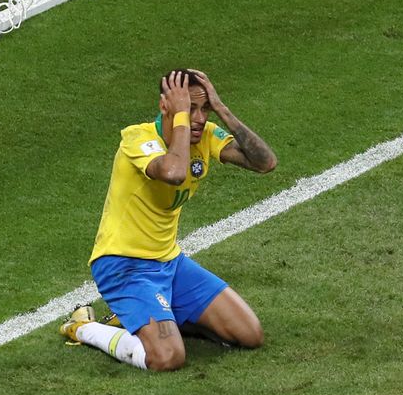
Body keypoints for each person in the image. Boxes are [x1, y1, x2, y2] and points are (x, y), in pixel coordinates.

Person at [59, 69, 277, 371]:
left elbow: (265, 163)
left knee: (250, 334)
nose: (199, 118)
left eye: (205, 108)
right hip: (124, 266)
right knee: (168, 357)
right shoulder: (137, 138)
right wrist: (182, 124)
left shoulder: (206, 135)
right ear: (166, 108)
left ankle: (153, 315)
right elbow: (174, 173)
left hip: (170, 263)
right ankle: (82, 326)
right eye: (190, 109)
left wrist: (223, 109)